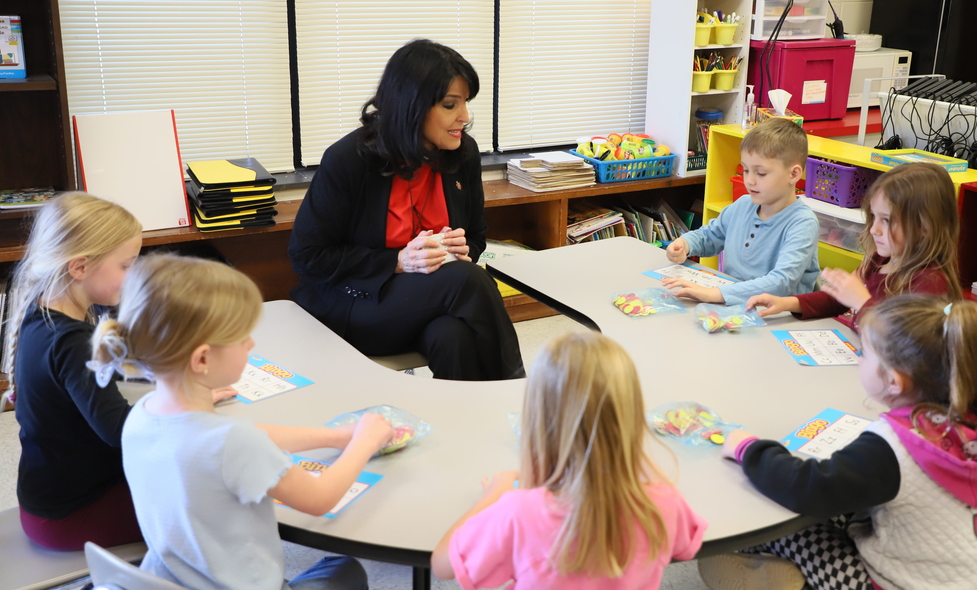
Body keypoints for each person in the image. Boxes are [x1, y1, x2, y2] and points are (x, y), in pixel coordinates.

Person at [94, 254, 394, 590]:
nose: (251, 344)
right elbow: (320, 498)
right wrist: (363, 441)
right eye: (242, 339)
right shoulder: (230, 442)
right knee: (348, 570)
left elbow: (241, 439)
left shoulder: (143, 414)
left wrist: (333, 436)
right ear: (203, 359)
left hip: (173, 580)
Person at [703, 295, 977, 590]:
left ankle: (757, 567)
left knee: (794, 527)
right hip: (963, 574)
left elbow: (807, 487)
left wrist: (748, 448)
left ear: (895, 382)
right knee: (844, 506)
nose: (857, 357)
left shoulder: (895, 446)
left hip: (892, 583)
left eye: (864, 353)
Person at [289, 38, 523, 381]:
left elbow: (476, 235)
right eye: (449, 105)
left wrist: (461, 248)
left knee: (453, 337)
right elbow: (307, 256)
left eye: (466, 104)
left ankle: (465, 427)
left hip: (428, 303)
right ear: (411, 106)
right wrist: (397, 262)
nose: (464, 117)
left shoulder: (463, 154)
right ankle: (522, 398)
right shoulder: (348, 159)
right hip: (356, 305)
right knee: (468, 281)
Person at [431, 331, 707, 588]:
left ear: (538, 421)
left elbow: (443, 565)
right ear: (633, 417)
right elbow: (686, 546)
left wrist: (492, 494)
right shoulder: (662, 502)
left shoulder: (517, 513)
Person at [6, 192, 145, 550]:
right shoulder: (71, 341)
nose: (133, 277)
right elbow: (120, 431)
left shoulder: (42, 312)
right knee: (208, 501)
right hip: (69, 515)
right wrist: (183, 401)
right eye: (126, 266)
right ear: (79, 267)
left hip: (49, 499)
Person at [746, 162, 960, 330]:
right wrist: (787, 303)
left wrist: (862, 301)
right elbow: (837, 300)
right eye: (873, 217)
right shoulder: (880, 261)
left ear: (925, 226)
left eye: (886, 220)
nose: (874, 230)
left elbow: (904, 342)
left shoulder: (931, 283)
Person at [663, 118, 819, 305]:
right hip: (735, 304)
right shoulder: (743, 204)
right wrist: (685, 244)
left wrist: (715, 293)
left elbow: (781, 283)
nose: (750, 181)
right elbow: (709, 236)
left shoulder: (802, 223)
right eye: (745, 170)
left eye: (761, 173)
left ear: (793, 174)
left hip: (778, 315)